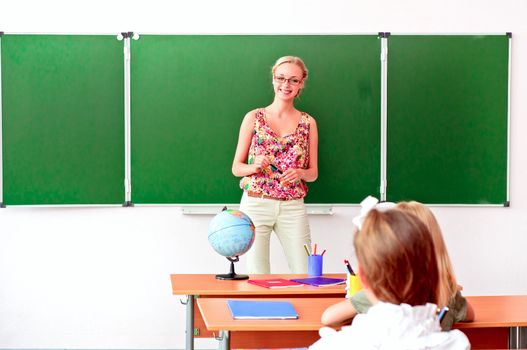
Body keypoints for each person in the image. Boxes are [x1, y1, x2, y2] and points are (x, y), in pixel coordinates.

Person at [310, 209, 470, 349]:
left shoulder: (339, 344)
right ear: (433, 274)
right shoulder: (457, 343)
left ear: (363, 278)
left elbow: (328, 318)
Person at [232, 56, 318, 274]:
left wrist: (300, 172)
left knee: (306, 273)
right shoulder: (254, 117)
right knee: (257, 275)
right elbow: (236, 168)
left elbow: (313, 173)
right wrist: (254, 166)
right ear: (273, 79)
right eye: (281, 78)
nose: (286, 85)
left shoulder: (308, 123)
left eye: (293, 80)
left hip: (292, 206)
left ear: (301, 85)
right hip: (256, 204)